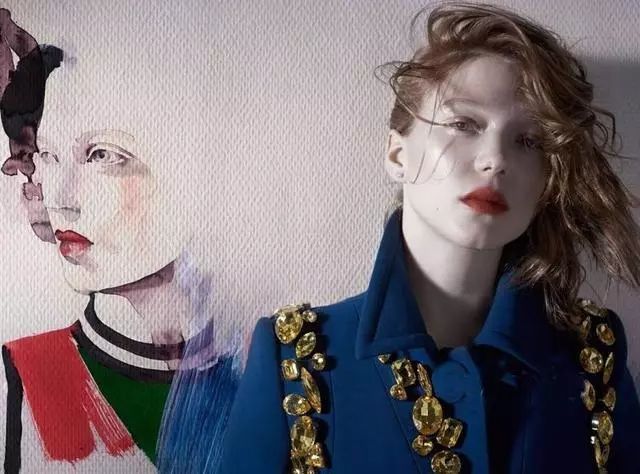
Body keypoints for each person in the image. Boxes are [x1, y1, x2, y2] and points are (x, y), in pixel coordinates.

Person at [219, 3, 640, 473]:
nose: (495, 159)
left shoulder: (590, 357)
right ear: (397, 154)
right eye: (464, 125)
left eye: (529, 141)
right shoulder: (297, 360)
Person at [0, 11, 239, 473]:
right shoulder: (21, 378)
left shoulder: (273, 373)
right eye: (48, 155)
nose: (60, 200)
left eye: (102, 156)